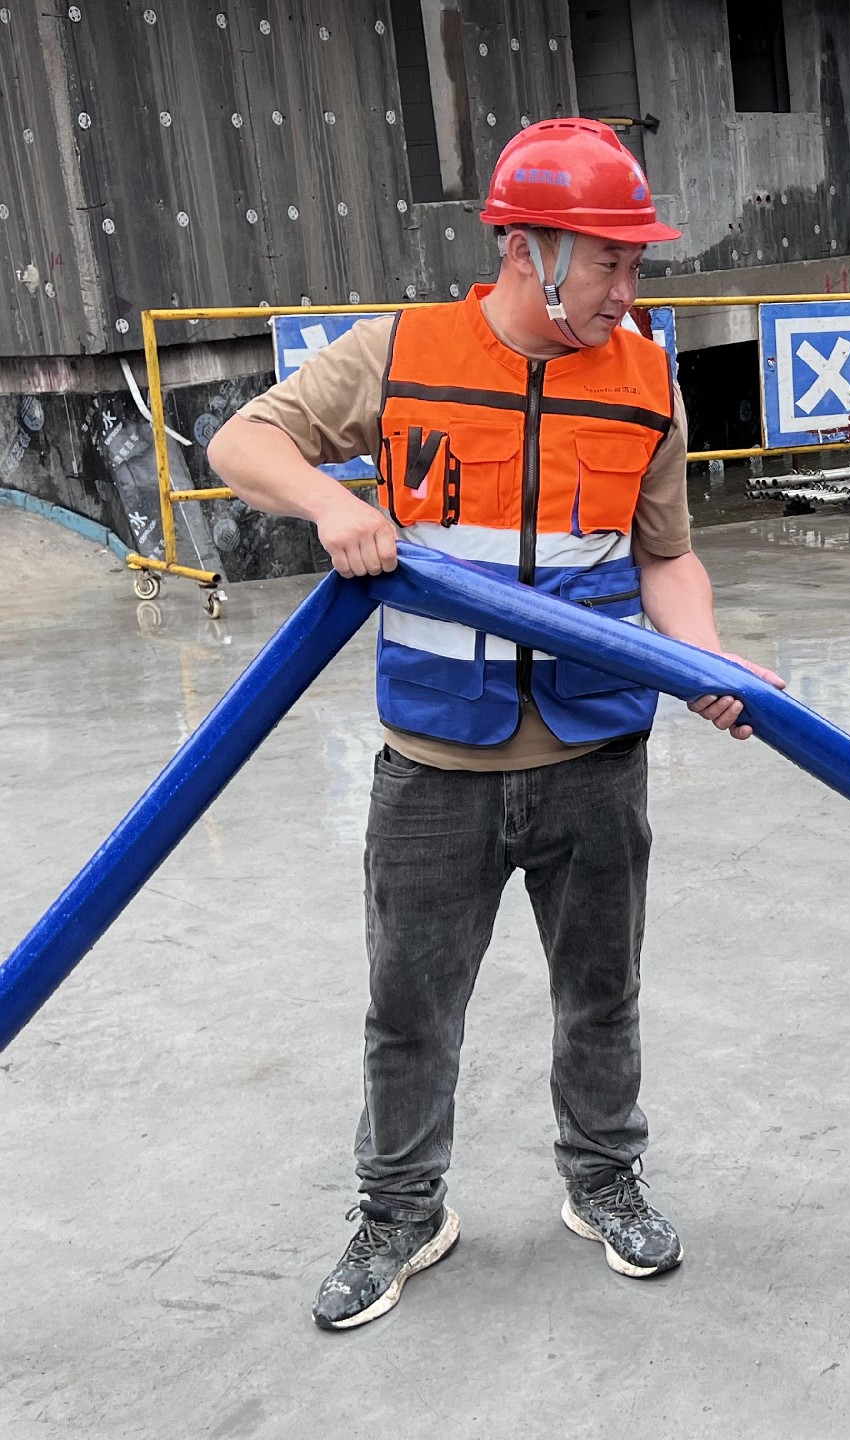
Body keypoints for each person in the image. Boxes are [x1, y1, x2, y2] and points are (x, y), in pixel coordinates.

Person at [206, 119, 781, 1329]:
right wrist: (328, 504)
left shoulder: (647, 379)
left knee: (602, 992)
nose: (630, 288)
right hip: (435, 763)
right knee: (410, 1010)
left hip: (595, 752)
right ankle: (401, 1212)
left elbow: (666, 556)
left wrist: (705, 657)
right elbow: (240, 441)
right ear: (527, 248)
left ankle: (603, 1180)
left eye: (636, 261)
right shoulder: (401, 355)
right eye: (611, 260)